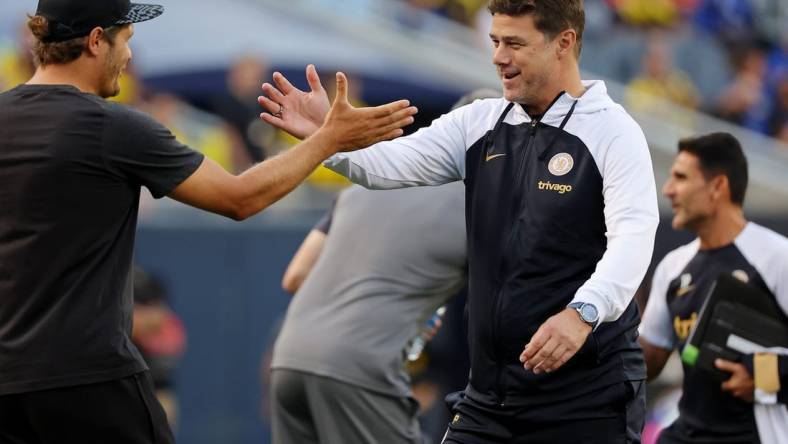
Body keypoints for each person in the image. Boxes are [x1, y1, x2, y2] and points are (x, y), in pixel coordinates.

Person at [0, 0, 417, 442]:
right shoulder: (112, 127)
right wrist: (329, 138)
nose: (130, 56)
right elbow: (240, 198)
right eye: (126, 40)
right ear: (96, 40)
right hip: (87, 382)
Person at [259, 1, 659, 442]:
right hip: (490, 398)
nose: (498, 57)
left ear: (564, 42)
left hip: (585, 395)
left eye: (514, 43)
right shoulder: (481, 121)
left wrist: (583, 313)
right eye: (494, 42)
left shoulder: (614, 132)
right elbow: (387, 165)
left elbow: (634, 238)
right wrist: (325, 139)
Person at [271, 181, 466, 444]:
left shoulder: (363, 187)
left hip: (289, 358)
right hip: (358, 363)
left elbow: (295, 275)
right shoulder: (478, 200)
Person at [639, 132, 788, 444]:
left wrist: (763, 376)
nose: (667, 190)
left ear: (718, 186)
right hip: (687, 432)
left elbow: (769, 373)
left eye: (680, 177)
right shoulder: (673, 267)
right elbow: (647, 362)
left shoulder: (777, 258)